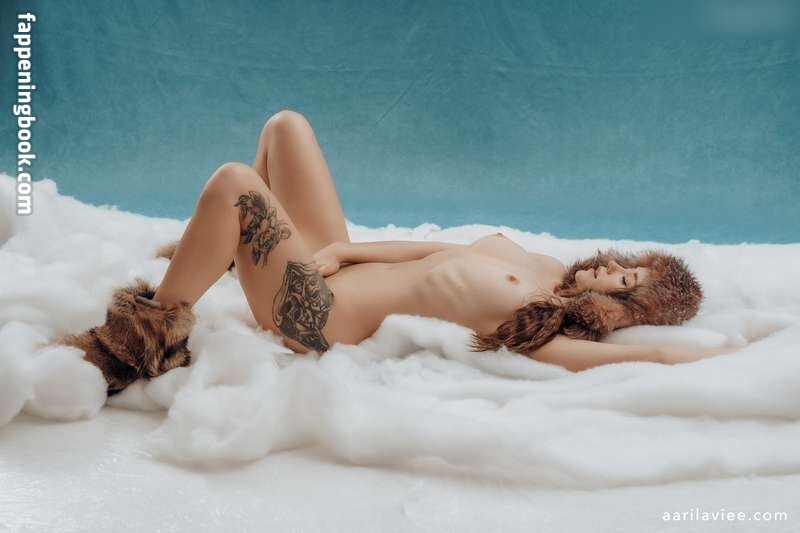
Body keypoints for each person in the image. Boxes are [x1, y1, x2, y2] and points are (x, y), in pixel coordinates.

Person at [60, 110, 735, 395]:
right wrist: (344, 252)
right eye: (627, 262)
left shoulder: (544, 323)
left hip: (312, 314)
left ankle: (136, 345)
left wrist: (729, 358)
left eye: (625, 283)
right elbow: (435, 250)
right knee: (286, 126)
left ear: (618, 308)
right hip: (336, 270)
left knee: (235, 182)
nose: (612, 269)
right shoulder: (541, 265)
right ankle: (230, 250)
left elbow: (643, 358)